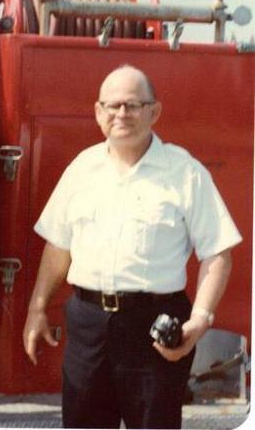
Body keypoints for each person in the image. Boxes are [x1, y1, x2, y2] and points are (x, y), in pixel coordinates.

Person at [23, 65, 242, 429]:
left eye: (132, 105)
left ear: (154, 112)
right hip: (88, 325)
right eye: (111, 106)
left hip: (154, 329)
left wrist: (199, 322)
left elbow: (218, 254)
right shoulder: (81, 169)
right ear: (98, 112)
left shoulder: (185, 173)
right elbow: (59, 246)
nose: (120, 114)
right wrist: (37, 308)